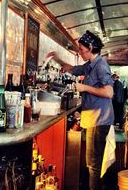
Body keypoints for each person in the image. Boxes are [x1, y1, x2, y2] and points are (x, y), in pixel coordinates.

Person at [48, 30, 114, 190]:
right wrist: (55, 58)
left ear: (90, 47)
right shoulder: (90, 65)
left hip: (99, 120)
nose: (79, 52)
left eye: (81, 49)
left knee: (93, 164)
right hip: (93, 118)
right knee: (93, 163)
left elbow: (109, 92)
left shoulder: (100, 65)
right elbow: (72, 69)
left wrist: (84, 87)